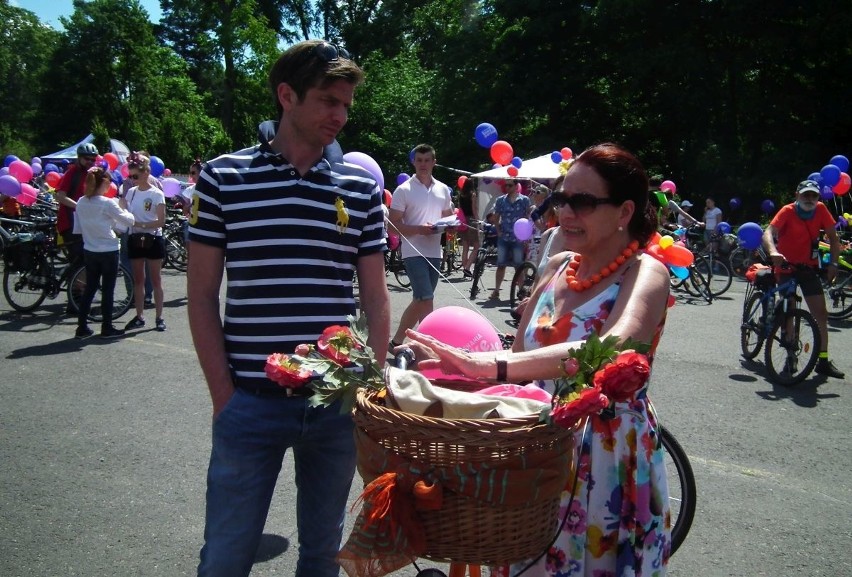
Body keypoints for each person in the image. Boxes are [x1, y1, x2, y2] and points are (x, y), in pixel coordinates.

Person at [403, 143, 673, 576]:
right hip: (532, 443)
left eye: (582, 202)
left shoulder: (645, 272)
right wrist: (443, 365)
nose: (565, 212)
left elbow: (610, 348)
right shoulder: (558, 264)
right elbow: (519, 358)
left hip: (604, 454)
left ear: (624, 213)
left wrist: (486, 366)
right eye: (562, 199)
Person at [187, 40, 390, 577]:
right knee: (226, 555)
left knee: (322, 555)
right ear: (286, 95)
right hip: (249, 403)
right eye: (327, 100)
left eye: (345, 104)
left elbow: (374, 295)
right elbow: (203, 293)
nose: (339, 116)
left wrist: (370, 384)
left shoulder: (360, 189)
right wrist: (223, 395)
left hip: (334, 405)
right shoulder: (223, 178)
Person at [762, 179, 844, 379]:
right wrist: (773, 252)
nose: (809, 199)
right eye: (805, 195)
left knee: (821, 315)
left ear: (818, 198)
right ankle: (791, 355)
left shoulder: (822, 210)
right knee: (789, 310)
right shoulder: (788, 211)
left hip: (808, 267)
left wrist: (833, 264)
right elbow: (769, 232)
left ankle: (823, 360)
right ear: (797, 195)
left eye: (813, 195)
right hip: (786, 266)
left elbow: (834, 238)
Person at [388, 143, 454, 349]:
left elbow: (448, 219)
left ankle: (397, 341)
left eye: (427, 160)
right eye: (419, 160)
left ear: (434, 162)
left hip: (435, 251)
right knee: (426, 297)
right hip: (413, 251)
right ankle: (431, 345)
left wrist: (451, 226)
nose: (423, 164)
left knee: (420, 299)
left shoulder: (443, 189)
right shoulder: (404, 189)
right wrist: (419, 229)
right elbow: (392, 226)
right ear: (413, 162)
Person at [71, 166, 136, 339]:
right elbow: (129, 221)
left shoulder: (81, 202)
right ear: (104, 183)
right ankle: (106, 326)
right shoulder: (107, 203)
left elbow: (78, 228)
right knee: (108, 290)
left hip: (90, 249)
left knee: (90, 288)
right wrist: (124, 208)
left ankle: (82, 326)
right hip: (108, 249)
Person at [120, 151, 167, 332]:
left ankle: (159, 317)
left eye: (135, 176)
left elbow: (161, 221)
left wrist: (140, 224)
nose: (132, 179)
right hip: (134, 238)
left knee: (156, 280)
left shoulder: (156, 193)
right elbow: (124, 212)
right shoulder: (130, 192)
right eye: (130, 176)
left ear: (146, 172)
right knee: (138, 280)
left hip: (153, 238)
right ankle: (139, 316)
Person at [55, 142, 100, 265]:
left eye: (93, 159)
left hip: (84, 222)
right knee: (79, 259)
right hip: (69, 223)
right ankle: (75, 284)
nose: (90, 162)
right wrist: (79, 206)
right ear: (79, 158)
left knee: (87, 259)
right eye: (87, 159)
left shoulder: (93, 174)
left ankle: (79, 282)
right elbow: (60, 196)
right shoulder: (72, 173)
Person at [490, 179, 531, 300]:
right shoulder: (501, 200)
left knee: (518, 266)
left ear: (516, 186)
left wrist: (526, 235)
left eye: (510, 185)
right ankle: (496, 290)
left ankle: (521, 291)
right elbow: (496, 217)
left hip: (518, 238)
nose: (507, 187)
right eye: (505, 185)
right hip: (504, 237)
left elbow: (528, 217)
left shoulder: (524, 200)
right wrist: (498, 231)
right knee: (501, 264)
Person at [457, 177, 480, 277]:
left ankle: (465, 268)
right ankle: (467, 267)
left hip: (462, 221)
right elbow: (474, 209)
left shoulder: (461, 195)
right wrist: (478, 221)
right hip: (471, 221)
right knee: (476, 246)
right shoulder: (473, 195)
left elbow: (460, 208)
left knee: (465, 246)